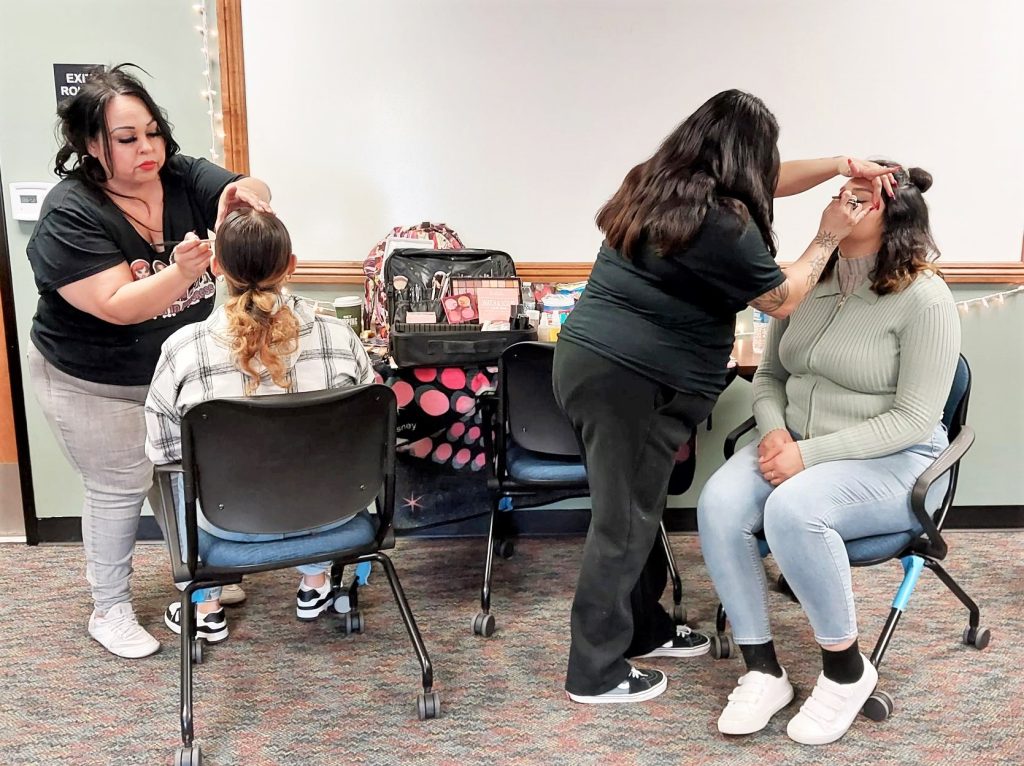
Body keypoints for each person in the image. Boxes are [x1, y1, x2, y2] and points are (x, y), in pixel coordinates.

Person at [552, 89, 899, 704]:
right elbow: (782, 298)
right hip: (632, 380)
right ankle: (595, 672)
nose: (771, 170)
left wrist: (844, 165)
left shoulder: (655, 182)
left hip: (591, 364)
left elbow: (772, 180)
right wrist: (827, 232)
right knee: (623, 522)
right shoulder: (723, 223)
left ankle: (644, 627)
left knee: (638, 508)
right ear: (743, 156)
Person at [697, 163, 959, 744]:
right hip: (795, 448)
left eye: (861, 198)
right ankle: (763, 671)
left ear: (896, 216)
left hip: (897, 460)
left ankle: (846, 671)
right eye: (843, 194)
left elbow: (914, 418)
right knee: (718, 503)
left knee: (793, 509)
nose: (845, 204)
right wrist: (774, 432)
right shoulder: (810, 281)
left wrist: (808, 457)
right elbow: (768, 378)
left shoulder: (926, 298)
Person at [26, 64, 272, 658]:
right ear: (90, 145)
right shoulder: (71, 212)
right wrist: (183, 271)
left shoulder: (182, 175)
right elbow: (116, 305)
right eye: (127, 139)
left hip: (172, 372)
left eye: (153, 132)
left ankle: (197, 576)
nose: (148, 149)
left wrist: (250, 196)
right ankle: (108, 608)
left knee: (185, 474)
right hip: (92, 378)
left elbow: (250, 185)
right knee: (120, 484)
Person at [145, 208, 375, 644]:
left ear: (216, 267)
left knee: (174, 469)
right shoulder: (342, 340)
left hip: (228, 523)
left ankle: (205, 603)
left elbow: (163, 452)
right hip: (334, 515)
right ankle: (315, 581)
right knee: (318, 457)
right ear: (291, 265)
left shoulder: (182, 350)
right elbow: (370, 435)